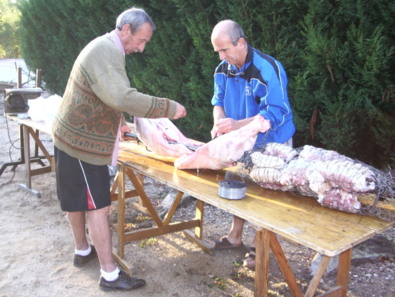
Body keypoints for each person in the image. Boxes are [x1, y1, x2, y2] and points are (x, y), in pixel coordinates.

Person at [52, 7, 187, 291]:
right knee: (98, 208)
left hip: (69, 134)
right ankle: (110, 275)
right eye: (142, 40)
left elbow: (103, 95)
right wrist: (168, 107)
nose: (142, 47)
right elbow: (120, 96)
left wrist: (120, 123)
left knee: (76, 199)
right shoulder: (106, 52)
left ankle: (82, 250)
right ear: (126, 30)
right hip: (81, 144)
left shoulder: (106, 47)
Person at [210, 20, 295, 269]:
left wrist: (235, 126)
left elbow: (277, 111)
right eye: (218, 51)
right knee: (236, 185)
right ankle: (235, 236)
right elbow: (218, 101)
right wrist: (220, 124)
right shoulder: (222, 69)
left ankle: (261, 247)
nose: (222, 56)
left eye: (225, 50)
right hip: (239, 141)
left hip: (273, 141)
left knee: (267, 195)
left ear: (242, 43)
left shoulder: (268, 68)